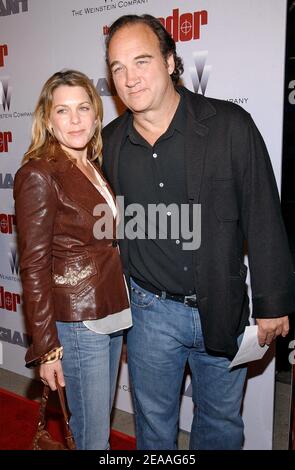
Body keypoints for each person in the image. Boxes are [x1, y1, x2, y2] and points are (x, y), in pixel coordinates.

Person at [102, 14, 295, 450]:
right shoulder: (108, 143)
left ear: (170, 61)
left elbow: (263, 213)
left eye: (142, 61)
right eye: (117, 68)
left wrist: (273, 302)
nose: (129, 79)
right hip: (150, 315)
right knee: (154, 428)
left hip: (223, 302)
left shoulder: (230, 126)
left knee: (222, 424)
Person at [14, 69, 131, 450]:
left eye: (83, 108)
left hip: (112, 308)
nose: (75, 119)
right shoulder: (38, 173)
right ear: (48, 120)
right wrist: (46, 347)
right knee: (93, 436)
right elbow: (33, 265)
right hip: (80, 322)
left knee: (96, 427)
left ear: (97, 115)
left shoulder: (93, 165)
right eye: (62, 111)